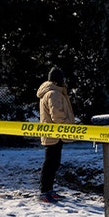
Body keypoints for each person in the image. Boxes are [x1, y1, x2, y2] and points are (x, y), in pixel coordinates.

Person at [37, 67, 75, 203]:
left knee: (53, 163)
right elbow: (57, 115)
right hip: (55, 134)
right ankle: (44, 191)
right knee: (50, 163)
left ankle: (49, 190)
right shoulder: (54, 94)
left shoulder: (52, 93)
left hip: (53, 135)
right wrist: (68, 126)